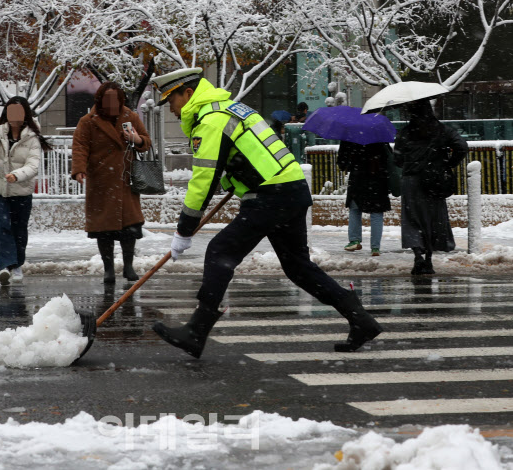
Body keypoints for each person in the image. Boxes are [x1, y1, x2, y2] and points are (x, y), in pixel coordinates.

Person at [150, 67, 383, 358]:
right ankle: (360, 318)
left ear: (188, 93)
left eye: (171, 100)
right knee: (298, 267)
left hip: (270, 195)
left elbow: (203, 179)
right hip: (290, 189)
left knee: (220, 251)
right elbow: (245, 156)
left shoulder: (211, 120)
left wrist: (184, 228)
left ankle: (196, 331)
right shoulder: (230, 109)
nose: (170, 108)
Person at [71, 81, 152, 284]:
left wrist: (136, 139)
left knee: (130, 227)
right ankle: (108, 269)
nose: (111, 103)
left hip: (125, 180)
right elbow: (80, 146)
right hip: (101, 180)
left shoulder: (130, 117)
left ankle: (128, 266)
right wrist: (79, 169)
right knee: (103, 229)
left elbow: (146, 141)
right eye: (107, 99)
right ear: (99, 100)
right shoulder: (88, 121)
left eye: (115, 99)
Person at [0, 96, 49, 286]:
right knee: (3, 224)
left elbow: (33, 165)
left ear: (25, 114)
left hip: (21, 191)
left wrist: (17, 175)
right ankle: (4, 266)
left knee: (19, 229)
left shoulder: (32, 137)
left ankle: (17, 264)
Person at [394, 99, 468, 275]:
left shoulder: (406, 132)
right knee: (433, 220)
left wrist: (410, 160)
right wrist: (447, 163)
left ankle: (418, 256)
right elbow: (462, 147)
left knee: (412, 220)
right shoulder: (442, 130)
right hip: (434, 181)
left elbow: (397, 159)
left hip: (411, 182)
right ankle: (428, 259)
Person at [337, 141, 392, 256]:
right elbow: (388, 159)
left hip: (358, 179)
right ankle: (375, 247)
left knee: (355, 209)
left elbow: (342, 164)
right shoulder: (379, 137)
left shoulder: (349, 137)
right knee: (376, 213)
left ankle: (354, 240)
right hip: (378, 179)